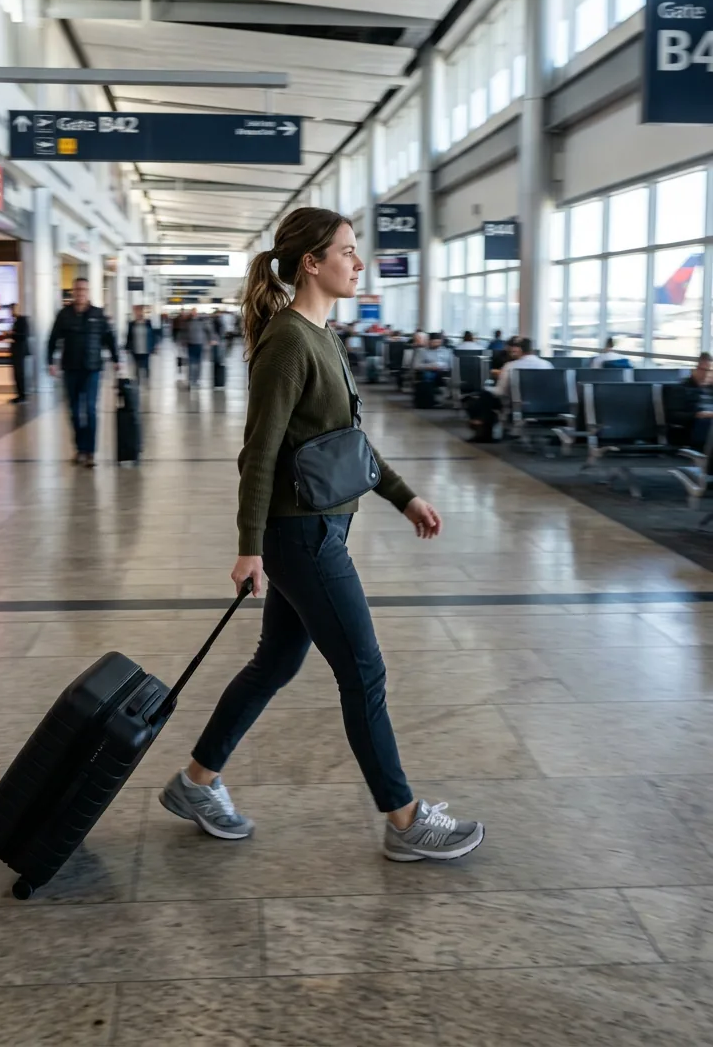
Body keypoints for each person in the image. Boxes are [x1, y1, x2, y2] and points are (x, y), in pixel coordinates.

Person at [159, 207, 485, 862]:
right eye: (346, 251)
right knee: (363, 670)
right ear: (312, 262)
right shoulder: (288, 339)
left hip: (320, 528)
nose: (358, 263)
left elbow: (346, 444)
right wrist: (249, 546)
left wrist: (403, 497)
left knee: (276, 661)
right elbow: (260, 451)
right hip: (301, 536)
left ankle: (197, 781)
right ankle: (405, 819)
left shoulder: (321, 335)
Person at [47, 277, 119, 467]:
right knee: (75, 411)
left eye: (84, 290)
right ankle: (80, 449)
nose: (80, 293)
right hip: (70, 368)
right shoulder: (64, 314)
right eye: (77, 290)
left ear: (88, 292)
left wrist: (117, 359)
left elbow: (109, 337)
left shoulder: (97, 313)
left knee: (91, 409)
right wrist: (50, 361)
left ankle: (91, 452)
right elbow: (53, 338)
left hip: (92, 368)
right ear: (73, 292)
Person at [677, 353, 713, 449]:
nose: (706, 374)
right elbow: (673, 416)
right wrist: (697, 414)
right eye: (703, 370)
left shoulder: (710, 389)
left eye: (709, 370)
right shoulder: (682, 388)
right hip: (695, 427)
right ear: (694, 370)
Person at [125, 304, 155, 386]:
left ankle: (147, 380)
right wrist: (127, 347)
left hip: (146, 348)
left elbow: (152, 335)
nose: (138, 313)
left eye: (140, 311)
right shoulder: (131, 324)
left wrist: (153, 346)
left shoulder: (148, 323)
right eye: (137, 311)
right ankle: (137, 383)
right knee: (137, 367)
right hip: (135, 349)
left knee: (146, 366)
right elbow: (129, 336)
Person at [9, 302, 30, 404]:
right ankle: (19, 394)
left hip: (19, 351)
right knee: (17, 374)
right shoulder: (17, 321)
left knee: (19, 373)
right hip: (17, 350)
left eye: (12, 309)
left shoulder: (22, 320)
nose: (11, 312)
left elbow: (23, 335)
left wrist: (12, 334)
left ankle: (22, 395)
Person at [185, 312, 213, 387]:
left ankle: (192, 380)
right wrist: (210, 340)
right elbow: (209, 331)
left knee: (192, 363)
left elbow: (183, 333)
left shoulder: (188, 323)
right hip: (198, 343)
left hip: (192, 343)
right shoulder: (202, 322)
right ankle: (195, 380)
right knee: (197, 363)